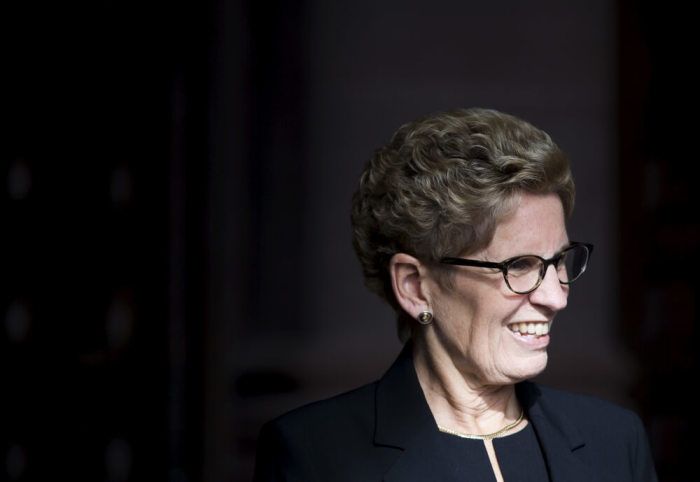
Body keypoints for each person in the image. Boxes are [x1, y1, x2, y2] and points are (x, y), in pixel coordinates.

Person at [252, 108, 657, 481]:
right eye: (518, 265)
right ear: (414, 286)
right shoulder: (316, 455)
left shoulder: (615, 441)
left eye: (560, 261)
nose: (556, 297)